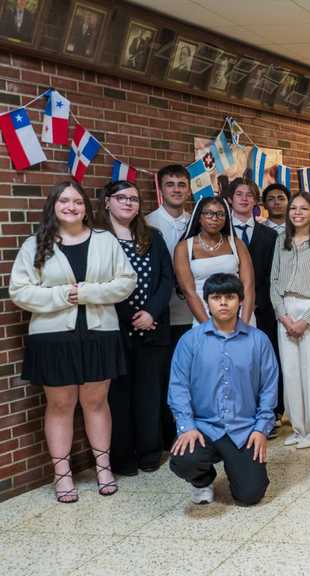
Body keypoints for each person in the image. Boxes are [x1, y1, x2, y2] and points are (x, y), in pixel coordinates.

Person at [10, 181, 137, 502]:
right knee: (60, 405)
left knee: (96, 402)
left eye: (77, 201)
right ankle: (62, 474)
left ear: (87, 207)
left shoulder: (105, 240)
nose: (71, 206)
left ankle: (103, 468)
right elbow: (20, 290)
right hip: (53, 338)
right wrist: (61, 295)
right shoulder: (36, 243)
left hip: (99, 334)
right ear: (53, 205)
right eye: (64, 201)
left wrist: (87, 292)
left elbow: (126, 281)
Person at [168, 273, 278, 506]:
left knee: (250, 496)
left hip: (243, 429)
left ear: (240, 300)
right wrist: (186, 426)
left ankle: (238, 470)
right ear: (207, 302)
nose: (223, 303)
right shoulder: (190, 341)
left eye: (230, 297)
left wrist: (261, 429)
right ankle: (202, 480)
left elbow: (269, 388)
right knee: (183, 459)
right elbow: (178, 387)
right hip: (204, 427)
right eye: (216, 297)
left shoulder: (258, 341)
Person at [95, 181, 173, 476]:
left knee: (150, 392)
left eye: (134, 199)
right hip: (115, 328)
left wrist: (151, 312)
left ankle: (150, 451)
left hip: (152, 327)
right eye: (121, 198)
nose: (128, 203)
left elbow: (167, 278)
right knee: (118, 395)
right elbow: (100, 283)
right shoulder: (98, 238)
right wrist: (131, 316)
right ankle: (123, 457)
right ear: (107, 202)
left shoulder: (152, 236)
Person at [270, 192, 310, 449]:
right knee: (291, 372)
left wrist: (305, 320)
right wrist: (283, 316)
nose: (297, 213)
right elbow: (273, 281)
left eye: (304, 209)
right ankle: (298, 428)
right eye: (293, 208)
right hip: (284, 309)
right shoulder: (280, 241)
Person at [226, 178, 281, 434]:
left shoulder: (269, 234)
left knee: (264, 365)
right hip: (227, 310)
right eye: (239, 194)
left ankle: (269, 415)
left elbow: (273, 274)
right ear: (230, 199)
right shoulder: (223, 233)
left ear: (256, 201)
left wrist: (258, 300)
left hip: (263, 309)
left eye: (250, 195)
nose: (244, 199)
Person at [146, 164, 193, 447]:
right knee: (165, 376)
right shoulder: (149, 223)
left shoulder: (196, 220)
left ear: (189, 188)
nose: (176, 189)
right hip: (162, 314)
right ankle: (167, 434)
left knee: (191, 374)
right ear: (161, 189)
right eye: (170, 184)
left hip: (192, 312)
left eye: (181, 184)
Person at [174, 196, 255, 325]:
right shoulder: (183, 248)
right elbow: (189, 292)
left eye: (220, 214)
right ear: (199, 217)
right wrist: (208, 327)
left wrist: (244, 323)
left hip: (239, 314)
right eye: (209, 213)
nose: (214, 218)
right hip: (203, 315)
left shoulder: (236, 243)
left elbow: (248, 286)